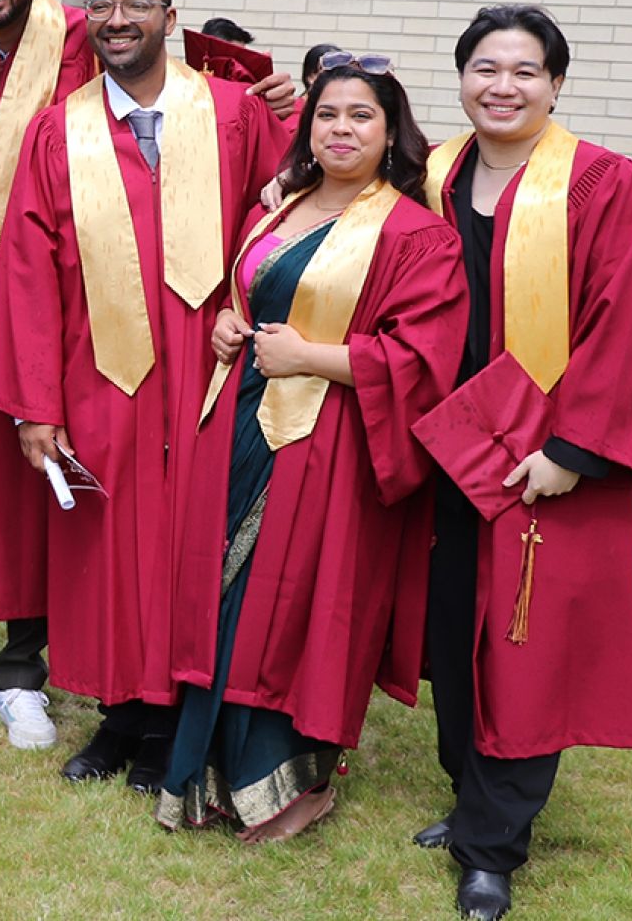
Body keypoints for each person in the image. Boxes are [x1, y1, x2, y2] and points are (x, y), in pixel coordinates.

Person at [0, 0, 292, 788]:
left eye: (138, 3)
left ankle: (175, 727)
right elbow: (26, 278)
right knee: (108, 551)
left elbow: (289, 226)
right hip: (100, 376)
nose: (118, 19)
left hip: (210, 375)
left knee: (194, 544)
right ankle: (120, 718)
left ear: (171, 15)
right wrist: (36, 407)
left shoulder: (231, 114)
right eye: (102, 3)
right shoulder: (55, 131)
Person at [155, 53, 467, 841]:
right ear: (308, 123)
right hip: (241, 422)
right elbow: (249, 298)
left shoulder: (415, 234)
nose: (341, 129)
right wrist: (228, 327)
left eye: (362, 116)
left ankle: (284, 784)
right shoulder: (276, 209)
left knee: (294, 600)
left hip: (332, 443)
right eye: (328, 113)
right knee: (227, 589)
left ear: (392, 130)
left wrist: (315, 358)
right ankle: (206, 773)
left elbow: (423, 360)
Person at [414, 5, 632, 921]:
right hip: (445, 438)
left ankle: (492, 846)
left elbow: (623, 323)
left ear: (557, 83)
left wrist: (571, 448)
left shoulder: (603, 184)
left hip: (541, 453)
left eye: (524, 70)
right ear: (463, 77)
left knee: (523, 643)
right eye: (485, 67)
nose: (502, 86)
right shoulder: (435, 173)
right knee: (451, 627)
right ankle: (468, 792)